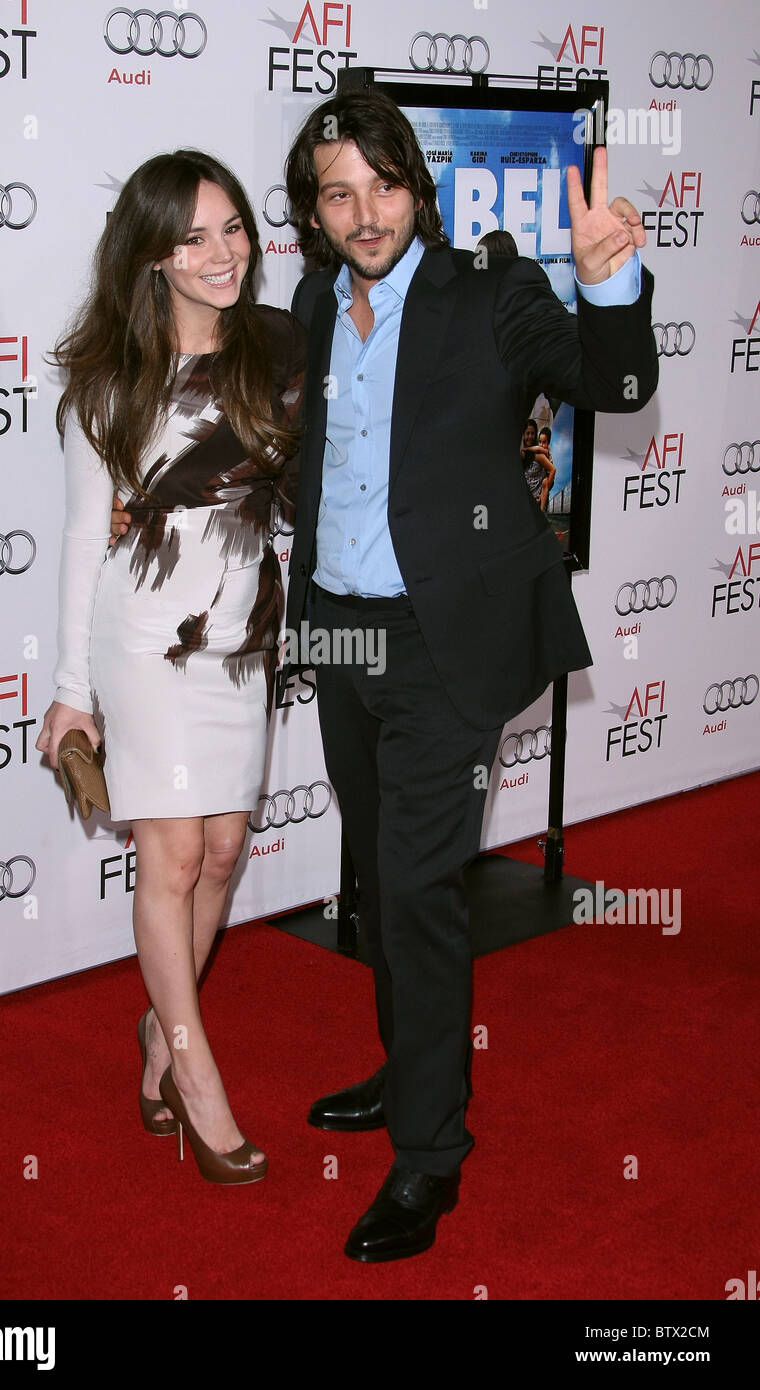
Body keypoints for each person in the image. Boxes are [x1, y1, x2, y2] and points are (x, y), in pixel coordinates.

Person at [277, 89, 658, 1261]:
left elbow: (616, 387)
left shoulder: (494, 291)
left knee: (420, 893)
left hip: (445, 643)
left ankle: (430, 1157)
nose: (365, 211)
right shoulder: (305, 303)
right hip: (341, 634)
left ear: (416, 187)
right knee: (378, 882)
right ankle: (408, 1068)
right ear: (314, 212)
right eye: (338, 192)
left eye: (383, 185)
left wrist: (606, 283)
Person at [36, 150, 304, 1185]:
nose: (222, 251)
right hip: (143, 636)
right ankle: (194, 1076)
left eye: (233, 226)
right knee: (175, 856)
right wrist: (70, 687)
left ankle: (157, 1028)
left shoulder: (275, 348)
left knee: (227, 851)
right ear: (151, 253)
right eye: (193, 235)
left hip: (240, 628)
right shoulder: (110, 381)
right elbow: (77, 537)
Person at [520, 418, 556, 511]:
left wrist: (543, 493)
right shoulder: (523, 454)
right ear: (523, 434)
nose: (530, 436)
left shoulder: (539, 454)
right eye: (528, 433)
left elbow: (552, 471)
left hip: (536, 502)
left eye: (533, 433)